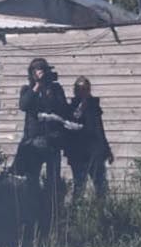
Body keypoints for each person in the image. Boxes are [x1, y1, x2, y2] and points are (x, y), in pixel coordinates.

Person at [14, 58, 69, 227]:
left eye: (42, 70)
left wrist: (50, 91)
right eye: (37, 70)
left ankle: (51, 217)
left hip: (52, 142)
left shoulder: (55, 88)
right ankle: (31, 217)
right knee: (32, 181)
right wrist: (36, 86)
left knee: (53, 181)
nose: (40, 73)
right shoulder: (27, 89)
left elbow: (63, 107)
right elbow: (23, 105)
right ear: (32, 73)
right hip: (34, 143)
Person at [63, 77, 112, 202]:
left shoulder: (94, 107)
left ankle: (101, 214)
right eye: (81, 89)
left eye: (86, 89)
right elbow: (71, 123)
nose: (84, 92)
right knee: (79, 185)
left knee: (101, 186)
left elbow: (99, 129)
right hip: (79, 152)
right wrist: (80, 107)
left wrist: (106, 149)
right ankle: (76, 214)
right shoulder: (71, 107)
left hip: (95, 151)